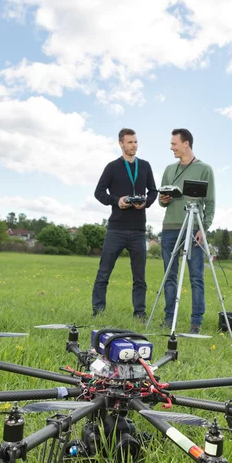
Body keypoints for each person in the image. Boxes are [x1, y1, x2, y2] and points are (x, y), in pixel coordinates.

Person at [92, 128, 157, 319]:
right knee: (104, 273)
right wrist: (117, 201)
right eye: (130, 142)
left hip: (138, 230)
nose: (134, 145)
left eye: (136, 142)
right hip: (116, 229)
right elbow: (99, 192)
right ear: (121, 144)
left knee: (139, 278)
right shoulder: (112, 167)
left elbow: (153, 191)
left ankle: (140, 313)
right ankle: (98, 311)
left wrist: (146, 202)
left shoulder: (145, 166)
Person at [159, 128, 215, 334]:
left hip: (193, 229)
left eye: (174, 143)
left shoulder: (204, 169)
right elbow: (161, 201)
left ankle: (196, 323)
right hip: (170, 228)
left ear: (186, 144)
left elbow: (210, 202)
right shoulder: (168, 170)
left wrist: (204, 228)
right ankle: (168, 318)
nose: (171, 147)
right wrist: (163, 199)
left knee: (196, 277)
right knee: (169, 276)